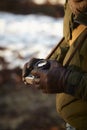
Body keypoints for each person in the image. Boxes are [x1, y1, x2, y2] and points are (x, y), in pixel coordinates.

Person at [22, 0, 87, 130]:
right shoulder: (72, 3)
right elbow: (71, 40)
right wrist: (46, 64)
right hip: (73, 120)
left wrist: (66, 80)